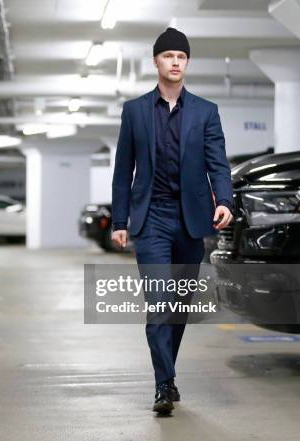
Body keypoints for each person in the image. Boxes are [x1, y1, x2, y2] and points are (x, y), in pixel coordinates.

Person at [110, 28, 233, 415]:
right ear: (156, 62)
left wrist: (225, 200)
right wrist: (119, 219)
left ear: (187, 63)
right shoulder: (135, 111)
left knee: (179, 305)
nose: (175, 62)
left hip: (191, 221)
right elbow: (122, 170)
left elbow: (218, 162)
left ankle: (168, 374)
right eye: (168, 56)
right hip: (152, 219)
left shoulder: (205, 111)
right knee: (159, 302)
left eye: (181, 56)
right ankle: (164, 383)